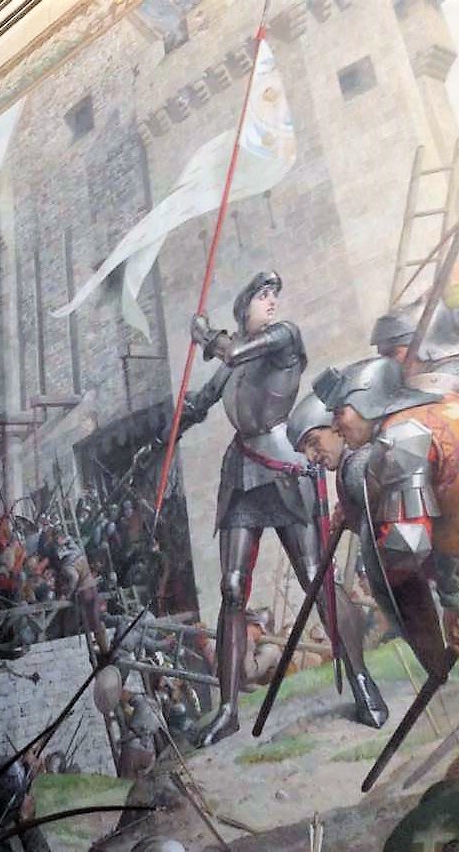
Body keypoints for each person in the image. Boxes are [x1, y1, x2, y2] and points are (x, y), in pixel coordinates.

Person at [176, 271, 385, 746]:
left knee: (315, 578)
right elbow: (202, 402)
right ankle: (228, 709)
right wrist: (175, 423)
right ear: (244, 306)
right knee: (232, 588)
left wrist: (204, 336)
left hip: (285, 468)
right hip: (242, 473)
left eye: (274, 294)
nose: (271, 301)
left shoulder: (283, 337)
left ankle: (360, 679)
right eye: (262, 295)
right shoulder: (231, 367)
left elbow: (232, 351)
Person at [319, 356, 459, 709]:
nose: (335, 425)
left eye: (340, 412)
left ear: (366, 400)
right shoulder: (438, 410)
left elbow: (409, 546)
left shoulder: (402, 438)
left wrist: (458, 607)